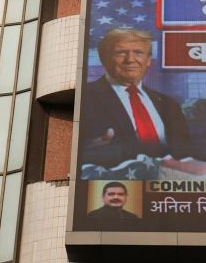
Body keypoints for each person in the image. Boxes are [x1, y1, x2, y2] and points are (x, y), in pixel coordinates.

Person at [81, 28, 194, 167]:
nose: (130, 60)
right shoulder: (84, 97)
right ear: (104, 58)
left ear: (148, 60)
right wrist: (85, 149)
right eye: (121, 52)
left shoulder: (168, 103)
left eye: (139, 53)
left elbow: (186, 151)